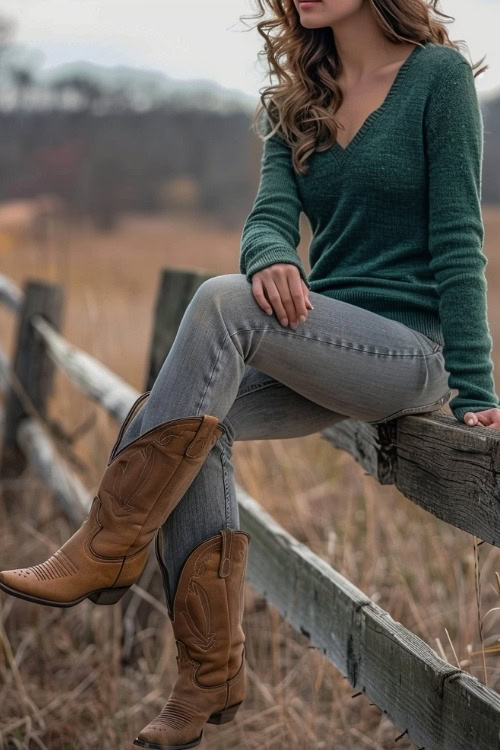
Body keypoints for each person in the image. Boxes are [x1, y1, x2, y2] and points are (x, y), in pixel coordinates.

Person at [2, 0, 500, 747]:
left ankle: (105, 549)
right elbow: (269, 212)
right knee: (191, 417)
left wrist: (478, 391)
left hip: (406, 353)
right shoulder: (295, 98)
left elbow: (459, 238)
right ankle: (209, 674)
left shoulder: (438, 79)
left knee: (219, 305)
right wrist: (270, 252)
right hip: (321, 340)